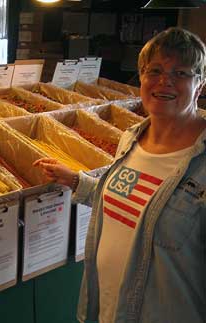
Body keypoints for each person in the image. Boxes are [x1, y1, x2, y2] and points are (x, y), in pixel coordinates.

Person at [34, 27, 205, 323]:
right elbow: (131, 204)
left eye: (181, 73)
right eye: (155, 70)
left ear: (200, 85)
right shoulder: (130, 140)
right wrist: (77, 181)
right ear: (141, 77)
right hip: (108, 311)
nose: (165, 81)